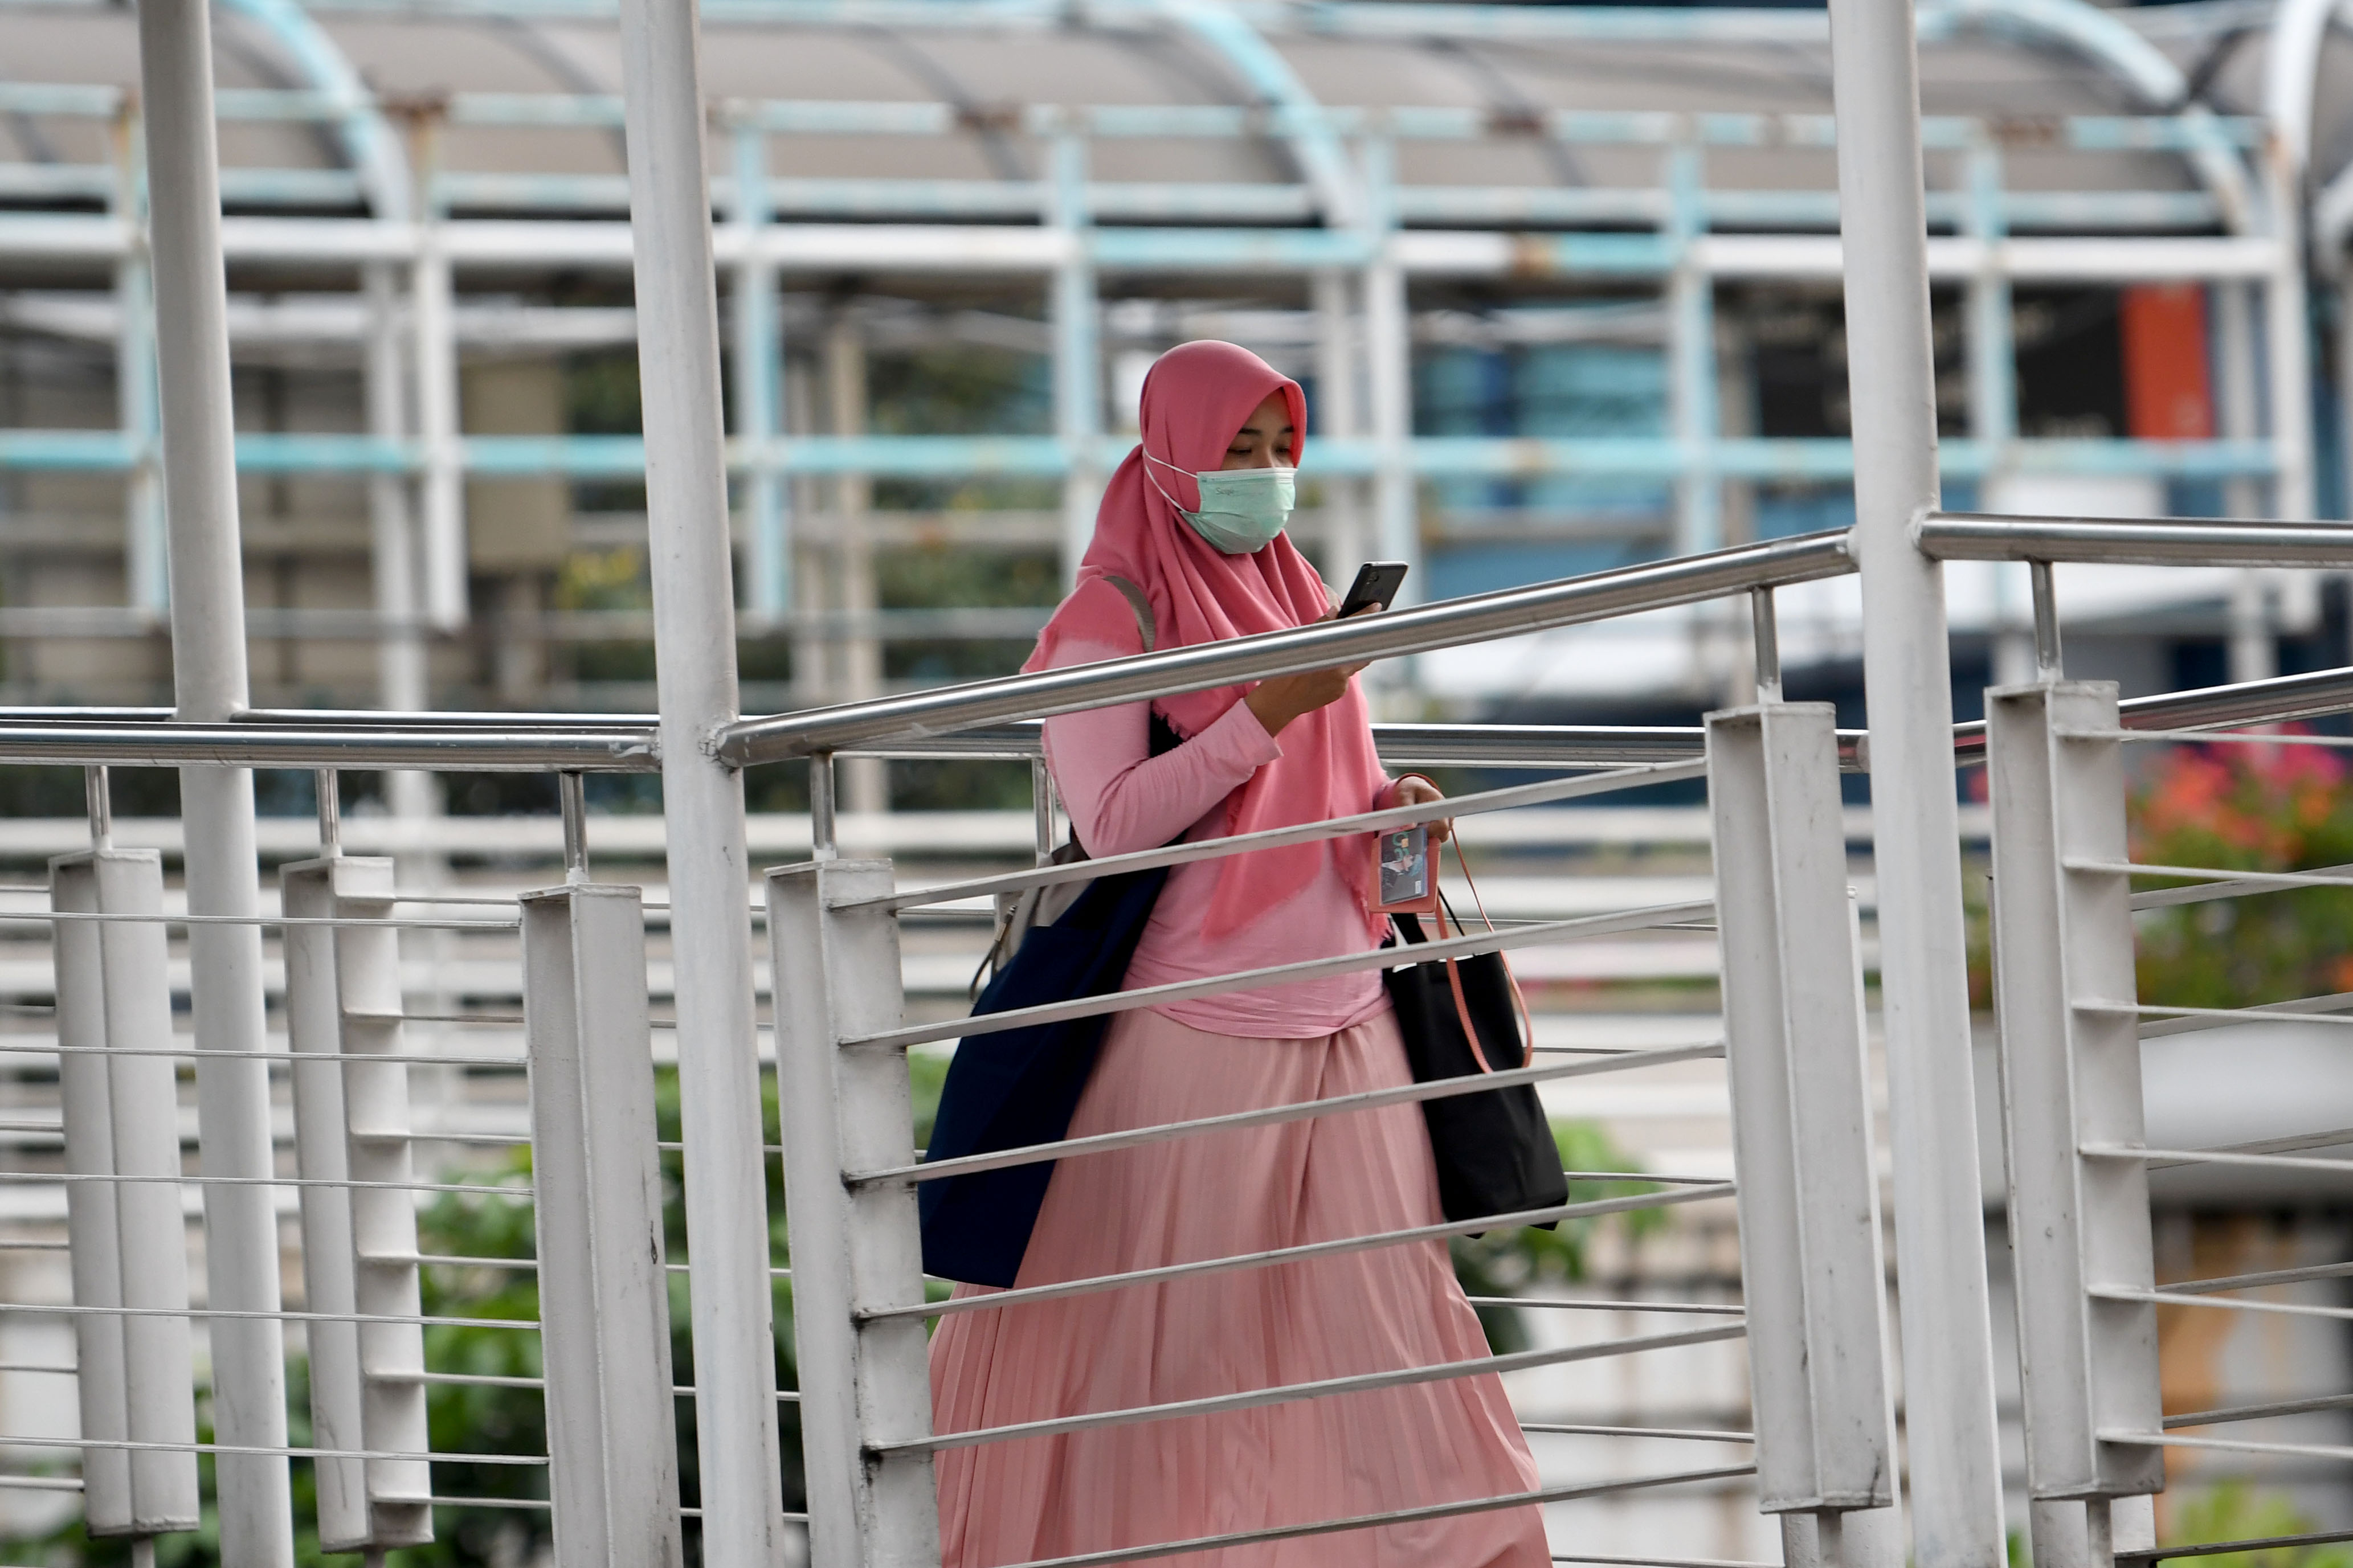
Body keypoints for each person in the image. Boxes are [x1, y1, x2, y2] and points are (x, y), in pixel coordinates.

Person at [929, 340, 1550, 1568]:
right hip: (1195, 1017)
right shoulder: (1114, 617)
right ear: (1168, 457)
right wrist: (1266, 709)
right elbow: (1113, 825)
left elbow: (1316, 798)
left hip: (1349, 1003)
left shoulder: (1294, 587)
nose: (1262, 480)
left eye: (1279, 453)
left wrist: (1389, 806)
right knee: (1166, 1337)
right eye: (1235, 453)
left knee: (1386, 1318)